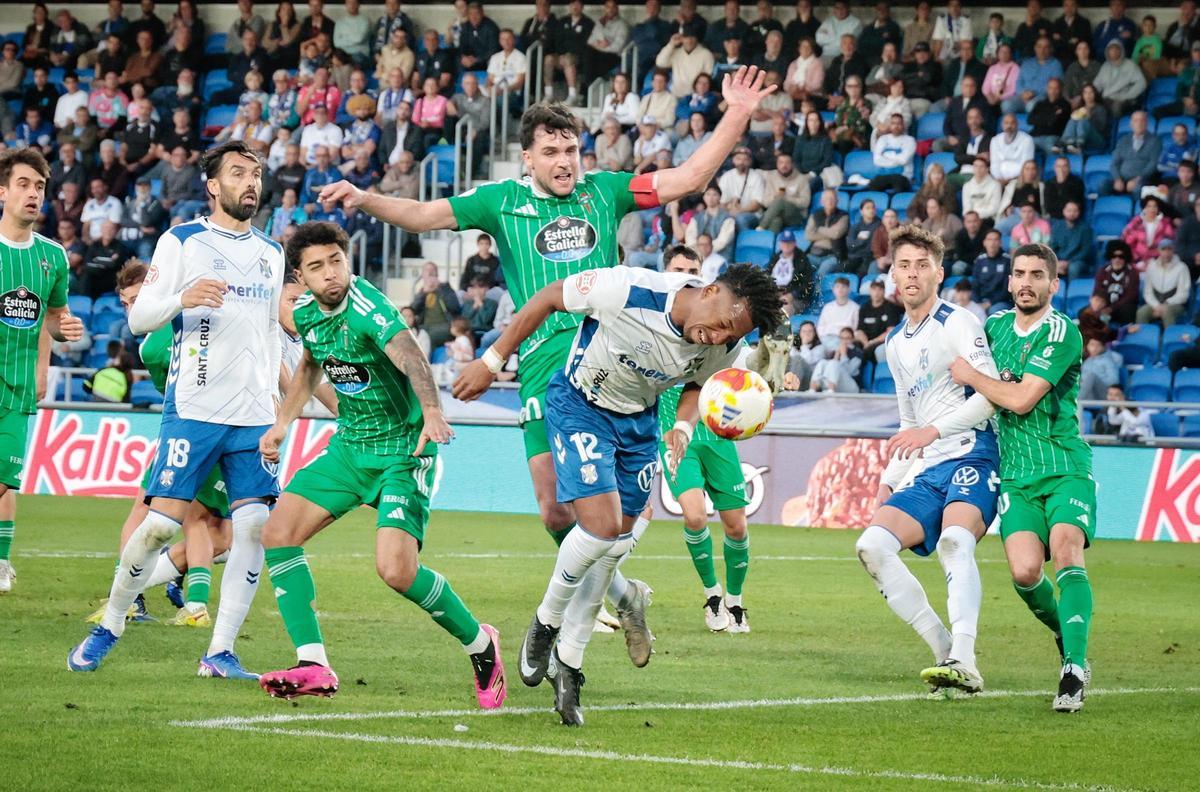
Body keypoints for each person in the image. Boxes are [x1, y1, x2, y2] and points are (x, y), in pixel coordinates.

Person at [318, 71, 778, 628]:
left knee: (613, 511)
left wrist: (738, 112)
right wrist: (364, 198)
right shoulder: (499, 201)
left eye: (572, 151)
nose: (565, 162)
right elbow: (423, 215)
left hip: (616, 360)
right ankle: (623, 594)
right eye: (552, 152)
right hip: (540, 361)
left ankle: (576, 613)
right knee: (553, 509)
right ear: (527, 158)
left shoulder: (603, 191)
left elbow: (691, 176)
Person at [452, 261, 783, 726]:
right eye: (724, 323)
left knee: (614, 545)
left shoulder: (727, 341)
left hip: (639, 425)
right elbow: (549, 296)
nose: (719, 337)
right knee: (602, 527)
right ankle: (546, 623)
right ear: (709, 291)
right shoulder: (628, 289)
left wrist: (684, 426)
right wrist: (492, 361)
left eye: (731, 335)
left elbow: (695, 383)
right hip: (580, 405)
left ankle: (570, 662)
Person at [249, 221, 507, 707]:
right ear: (300, 278)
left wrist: (432, 411)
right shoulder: (305, 313)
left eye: (336, 261)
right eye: (316, 267)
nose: (330, 274)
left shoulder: (368, 309)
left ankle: (480, 644)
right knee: (277, 533)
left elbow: (411, 357)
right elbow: (310, 364)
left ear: (348, 261)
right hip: (350, 448)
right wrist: (284, 422)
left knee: (396, 571)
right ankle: (313, 663)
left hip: (402, 451)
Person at [68, 141, 284, 679]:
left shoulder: (272, 253)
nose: (249, 182)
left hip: (254, 413)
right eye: (237, 173)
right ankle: (112, 622)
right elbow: (141, 318)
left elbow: (272, 334)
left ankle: (220, 651)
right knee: (162, 527)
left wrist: (279, 407)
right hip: (194, 406)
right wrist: (183, 298)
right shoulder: (182, 241)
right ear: (212, 186)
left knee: (253, 526)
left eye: (255, 173)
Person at [949, 242, 1096, 712]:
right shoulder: (992, 328)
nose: (1027, 282)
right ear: (1009, 281)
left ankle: (1073, 669)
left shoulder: (1061, 332)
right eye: (1020, 274)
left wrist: (971, 375)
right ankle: (1067, 631)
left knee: (1067, 547)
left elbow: (1020, 399)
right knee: (1025, 572)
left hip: (1063, 465)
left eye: (1037, 275)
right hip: (1015, 475)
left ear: (1054, 284)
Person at [855, 223, 998, 696]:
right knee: (872, 546)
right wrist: (888, 482)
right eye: (903, 266)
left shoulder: (959, 322)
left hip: (974, 453)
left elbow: (988, 399)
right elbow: (906, 422)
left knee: (955, 541)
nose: (912, 274)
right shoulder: (895, 343)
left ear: (938, 273)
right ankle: (943, 652)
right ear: (891, 275)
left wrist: (932, 431)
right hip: (930, 467)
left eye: (922, 265)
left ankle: (967, 657)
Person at [640, 245, 755, 633]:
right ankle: (712, 596)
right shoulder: (656, 321)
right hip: (675, 435)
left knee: (736, 526)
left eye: (692, 268)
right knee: (693, 514)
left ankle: (737, 603)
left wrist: (776, 379)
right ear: (665, 272)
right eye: (677, 268)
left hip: (718, 435)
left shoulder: (719, 326)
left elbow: (750, 370)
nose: (684, 273)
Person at [0, 149, 82, 593]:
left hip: (16, 389)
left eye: (40, 187)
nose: (33, 194)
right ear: (3, 191)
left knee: (4, 480)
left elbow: (52, 316)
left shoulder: (52, 256)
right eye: (24, 185)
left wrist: (62, 331)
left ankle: (0, 559)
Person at [1136, 238, 1192, 326]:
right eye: (1163, 249)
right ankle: (1143, 338)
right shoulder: (1152, 267)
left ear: (1173, 250)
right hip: (1155, 304)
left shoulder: (1182, 267)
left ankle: (1170, 338)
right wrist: (1157, 306)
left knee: (1167, 311)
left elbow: (1183, 294)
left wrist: (1167, 303)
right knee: (1141, 312)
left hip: (1175, 305)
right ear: (1159, 250)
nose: (1166, 253)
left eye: (1169, 249)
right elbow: (1147, 292)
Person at [807, 189, 849, 278]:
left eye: (832, 198)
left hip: (832, 256)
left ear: (837, 201)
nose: (829, 201)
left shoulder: (844, 216)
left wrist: (818, 229)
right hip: (814, 254)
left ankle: (816, 292)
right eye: (826, 199)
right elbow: (808, 235)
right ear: (822, 201)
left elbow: (836, 234)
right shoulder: (815, 214)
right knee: (799, 267)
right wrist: (830, 231)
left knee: (821, 274)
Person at [1052, 201, 1095, 280]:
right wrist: (1057, 262)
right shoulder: (1057, 226)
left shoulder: (1085, 228)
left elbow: (1085, 251)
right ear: (1064, 211)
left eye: (1075, 211)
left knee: (1073, 268)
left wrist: (1068, 263)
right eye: (1069, 210)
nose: (1072, 213)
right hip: (1059, 260)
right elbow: (1052, 247)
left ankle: (1072, 291)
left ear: (1079, 212)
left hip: (1078, 261)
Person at [973, 229, 1011, 314]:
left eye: (995, 240)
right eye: (989, 240)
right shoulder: (980, 260)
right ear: (984, 243)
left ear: (1000, 243)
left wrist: (989, 303)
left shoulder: (1007, 261)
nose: (992, 243)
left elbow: (1006, 290)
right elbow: (975, 285)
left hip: (1000, 302)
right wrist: (977, 303)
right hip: (981, 300)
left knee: (993, 311)